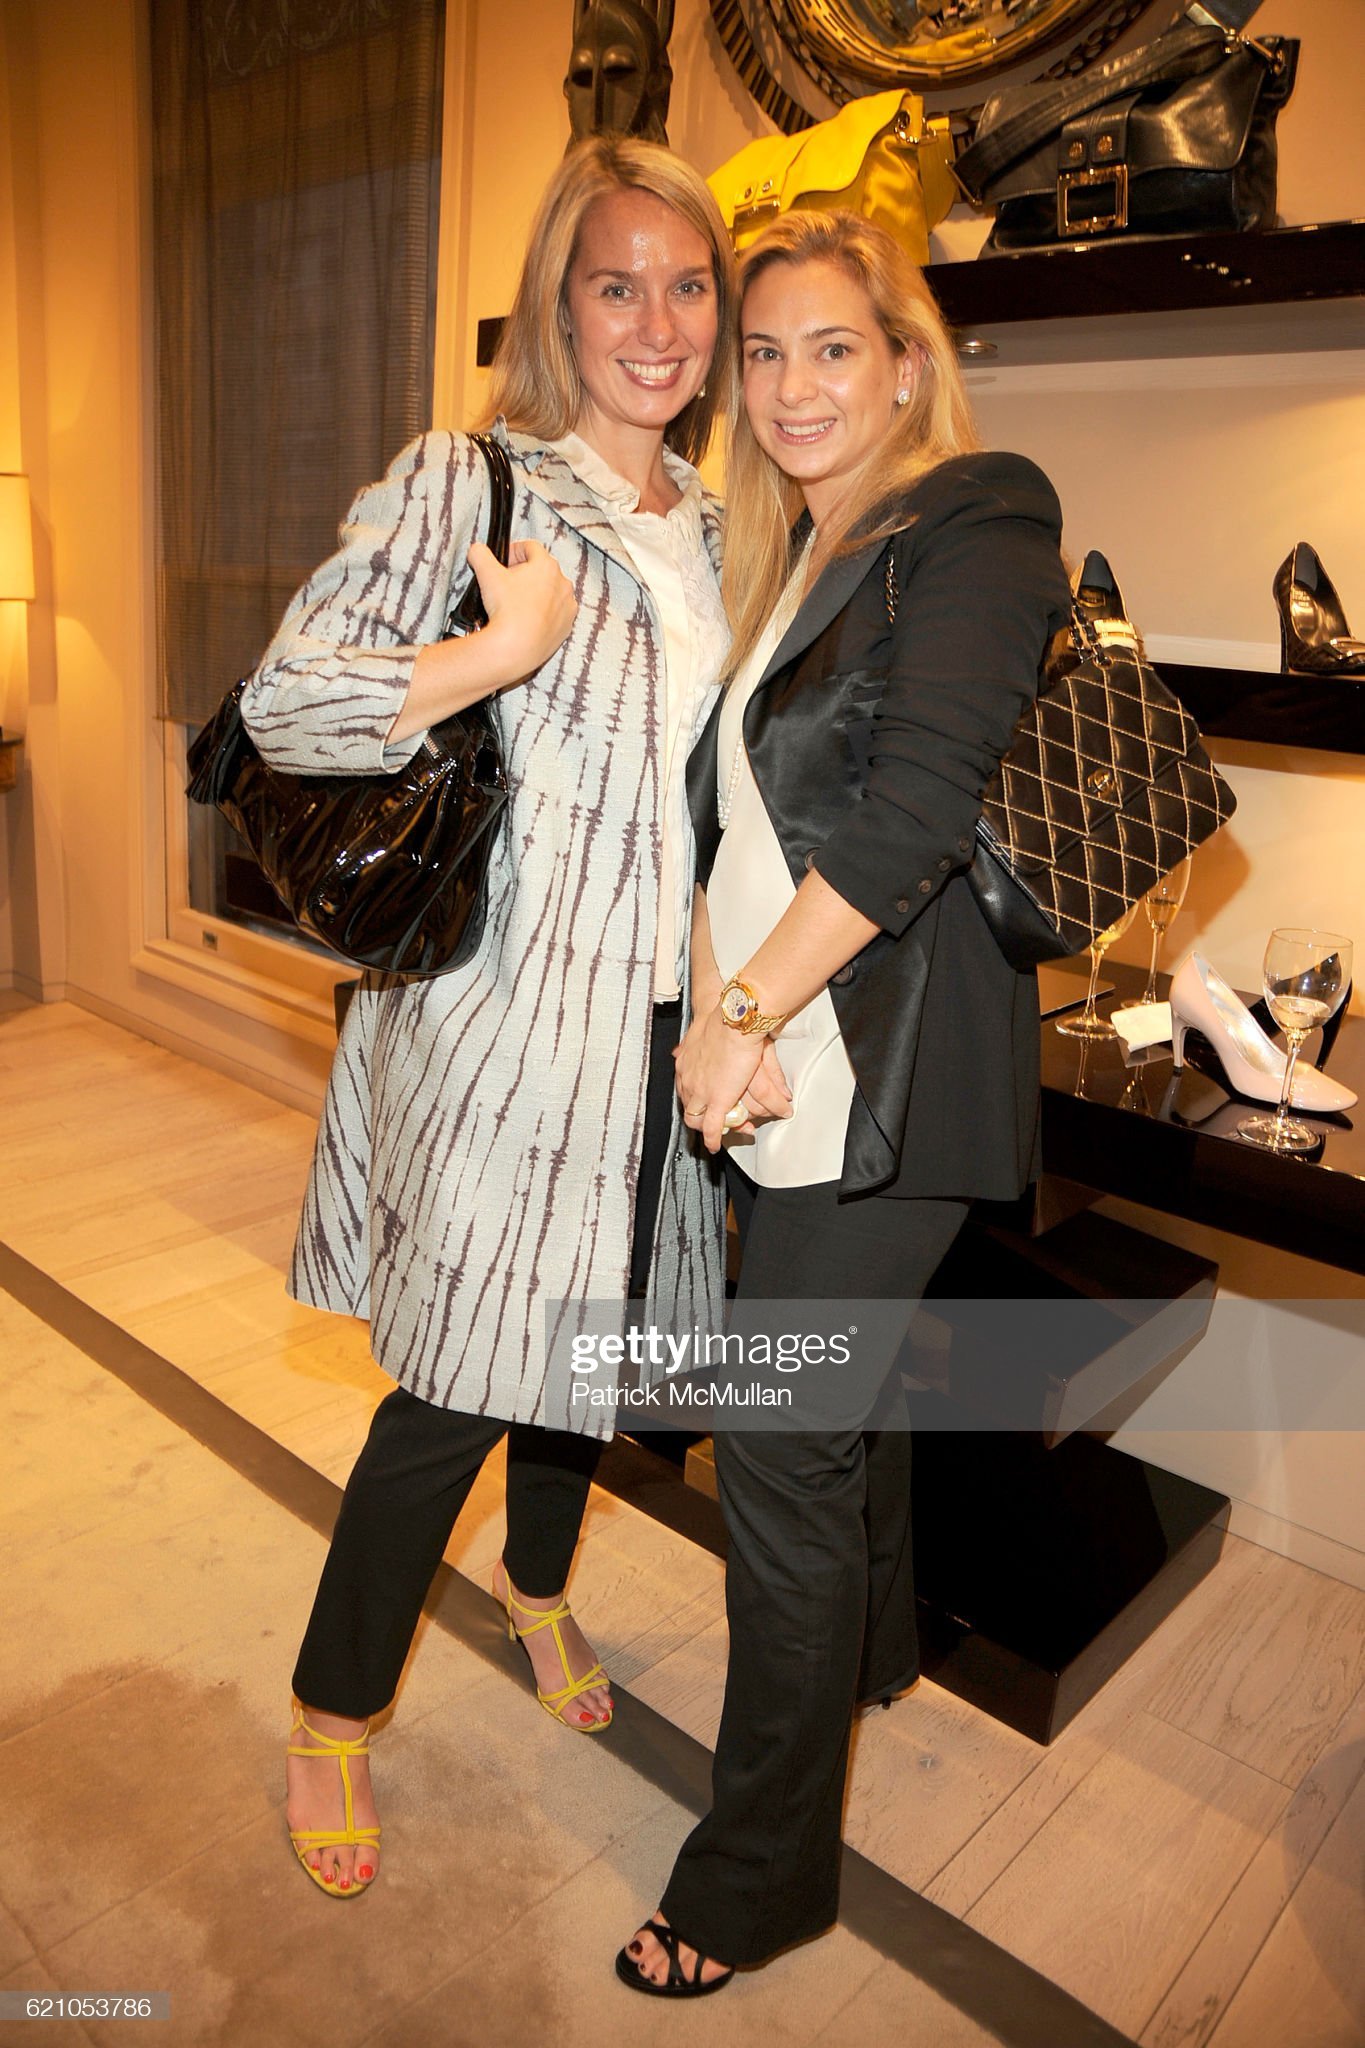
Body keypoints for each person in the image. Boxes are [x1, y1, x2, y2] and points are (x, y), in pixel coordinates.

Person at [241, 135, 735, 1898]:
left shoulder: (728, 522)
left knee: (592, 1352)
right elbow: (285, 703)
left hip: (666, 1034)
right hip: (505, 1031)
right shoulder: (474, 481)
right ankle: (331, 1711)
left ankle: (535, 1588)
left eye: (687, 286)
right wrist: (489, 653)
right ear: (558, 306)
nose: (654, 325)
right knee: (454, 1383)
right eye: (616, 286)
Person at [615, 209, 1072, 1995]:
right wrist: (706, 1018)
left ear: (902, 364)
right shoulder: (790, 551)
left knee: (777, 1446)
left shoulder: (977, 512)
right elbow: (734, 826)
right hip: (773, 1070)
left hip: (871, 1070)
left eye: (832, 348)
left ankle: (751, 1886)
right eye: (764, 353)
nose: (793, 387)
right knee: (841, 1410)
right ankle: (872, 1664)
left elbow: (912, 814)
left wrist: (737, 1016)